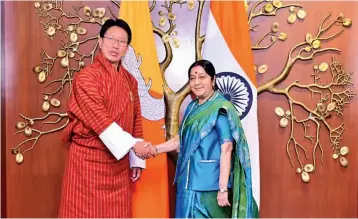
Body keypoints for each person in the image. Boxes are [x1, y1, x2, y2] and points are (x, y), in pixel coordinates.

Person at [58, 19, 156, 218]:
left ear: (127, 48)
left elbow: (135, 119)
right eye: (111, 39)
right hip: (88, 163)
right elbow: (100, 120)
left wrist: (136, 159)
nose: (116, 45)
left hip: (118, 165)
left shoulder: (131, 80)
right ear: (101, 42)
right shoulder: (86, 78)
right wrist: (134, 146)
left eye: (122, 41)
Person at [145, 60, 258, 218]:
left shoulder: (220, 108)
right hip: (187, 182)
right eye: (192, 78)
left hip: (209, 187)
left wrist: (223, 189)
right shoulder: (192, 107)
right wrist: (155, 149)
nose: (196, 82)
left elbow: (227, 148)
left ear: (213, 79)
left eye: (202, 77)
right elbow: (182, 139)